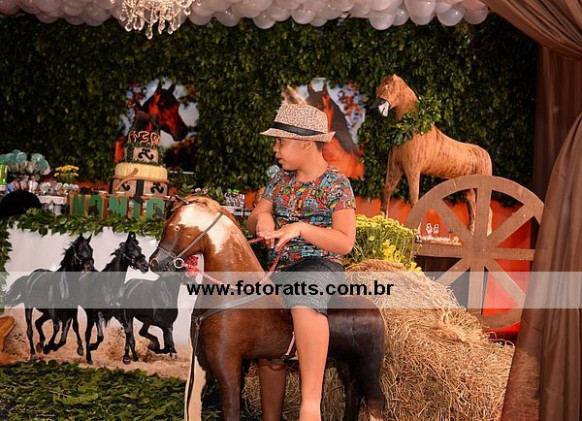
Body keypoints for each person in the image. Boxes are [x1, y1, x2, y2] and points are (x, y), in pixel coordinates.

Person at [247, 103, 357, 421]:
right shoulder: (279, 180)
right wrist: (263, 218)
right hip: (278, 268)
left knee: (303, 295)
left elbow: (345, 242)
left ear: (306, 143)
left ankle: (310, 406)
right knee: (268, 343)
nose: (275, 149)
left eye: (281, 142)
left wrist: (301, 228)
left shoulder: (336, 184)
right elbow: (255, 217)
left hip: (319, 266)